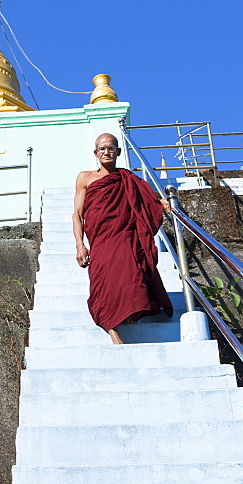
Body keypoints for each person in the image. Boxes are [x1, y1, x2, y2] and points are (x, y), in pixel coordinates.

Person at [73, 132, 173, 345]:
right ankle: (112, 329)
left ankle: (125, 314)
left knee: (127, 272)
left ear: (118, 152)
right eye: (102, 148)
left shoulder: (127, 178)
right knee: (101, 277)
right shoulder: (85, 177)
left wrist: (161, 203)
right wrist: (80, 245)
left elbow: (144, 200)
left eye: (110, 148)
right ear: (95, 153)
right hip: (100, 236)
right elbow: (77, 214)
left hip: (124, 234)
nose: (106, 152)